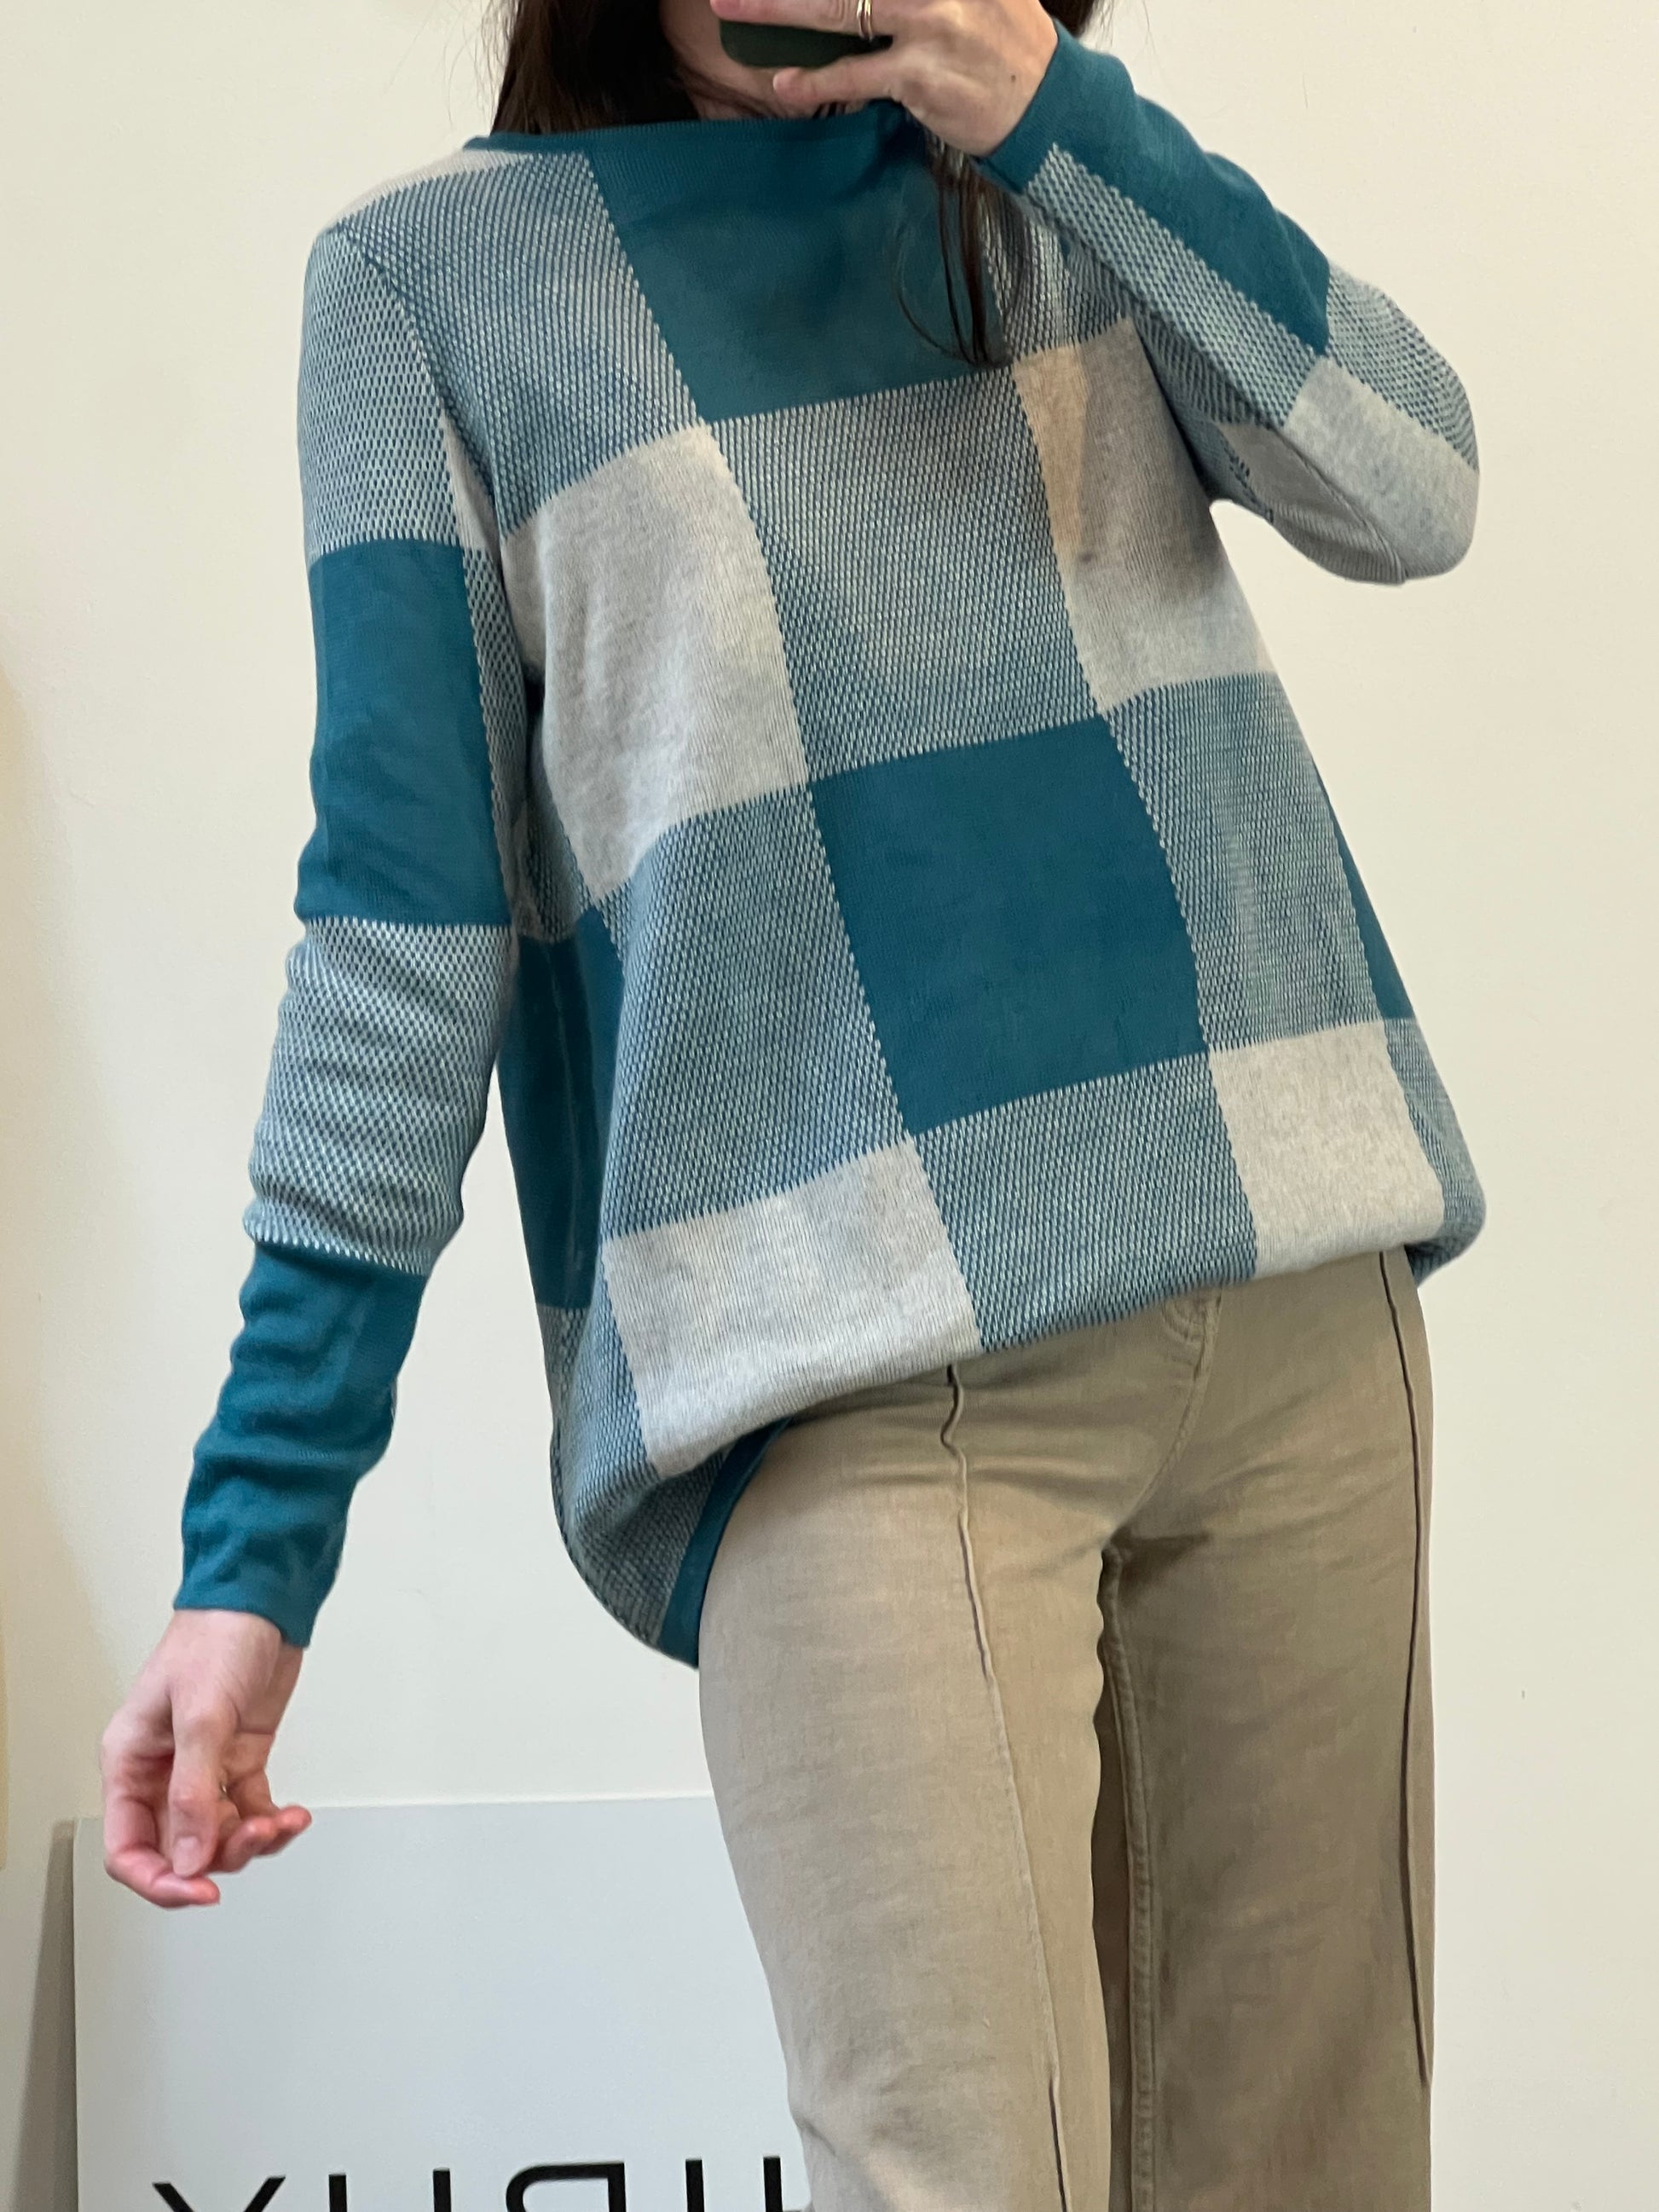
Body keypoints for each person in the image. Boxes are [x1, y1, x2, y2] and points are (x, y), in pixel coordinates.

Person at [101, 0, 1483, 2203]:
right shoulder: (430, 289)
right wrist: (254, 1543)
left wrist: (1055, 120)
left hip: (1295, 1300)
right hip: (857, 1377)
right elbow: (403, 933)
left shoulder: (1051, 181)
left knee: (1317, 2173)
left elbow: (1413, 485)